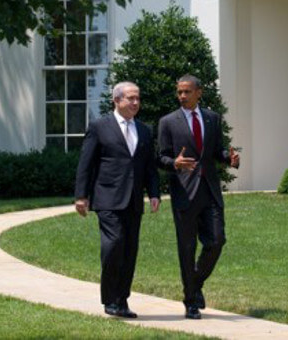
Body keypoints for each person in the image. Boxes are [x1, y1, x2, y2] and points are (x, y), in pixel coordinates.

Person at [74, 81, 161, 318]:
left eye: (138, 99)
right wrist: (81, 196)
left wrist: (154, 193)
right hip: (107, 199)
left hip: (133, 201)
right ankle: (110, 299)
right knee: (114, 246)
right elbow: (86, 164)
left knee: (129, 251)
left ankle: (122, 300)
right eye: (130, 98)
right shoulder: (99, 127)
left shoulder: (144, 130)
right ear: (117, 100)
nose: (135, 103)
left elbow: (149, 167)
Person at [157, 74, 240, 319]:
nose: (182, 96)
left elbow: (217, 150)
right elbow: (160, 157)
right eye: (179, 92)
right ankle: (190, 301)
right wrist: (175, 163)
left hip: (210, 190)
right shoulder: (168, 122)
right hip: (184, 192)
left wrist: (229, 158)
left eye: (187, 92)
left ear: (198, 93)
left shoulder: (212, 118)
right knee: (187, 247)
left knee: (216, 241)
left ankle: (195, 283)